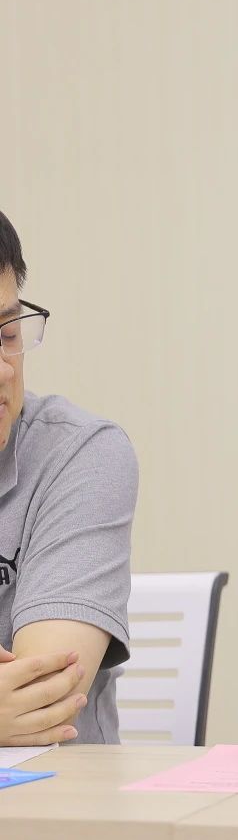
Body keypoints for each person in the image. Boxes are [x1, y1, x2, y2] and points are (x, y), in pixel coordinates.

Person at [0, 210, 139, 746]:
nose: (5, 369)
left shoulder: (78, 454)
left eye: (8, 333)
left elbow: (43, 695)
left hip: (52, 790)